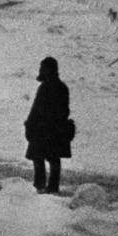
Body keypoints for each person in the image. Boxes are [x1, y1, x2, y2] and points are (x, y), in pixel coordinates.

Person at [24, 56, 72, 194]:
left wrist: (29, 124)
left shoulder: (44, 87)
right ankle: (53, 187)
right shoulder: (63, 87)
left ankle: (40, 186)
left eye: (42, 68)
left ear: (48, 70)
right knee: (53, 158)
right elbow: (65, 110)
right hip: (56, 130)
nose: (40, 71)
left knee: (38, 157)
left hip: (42, 129)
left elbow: (36, 109)